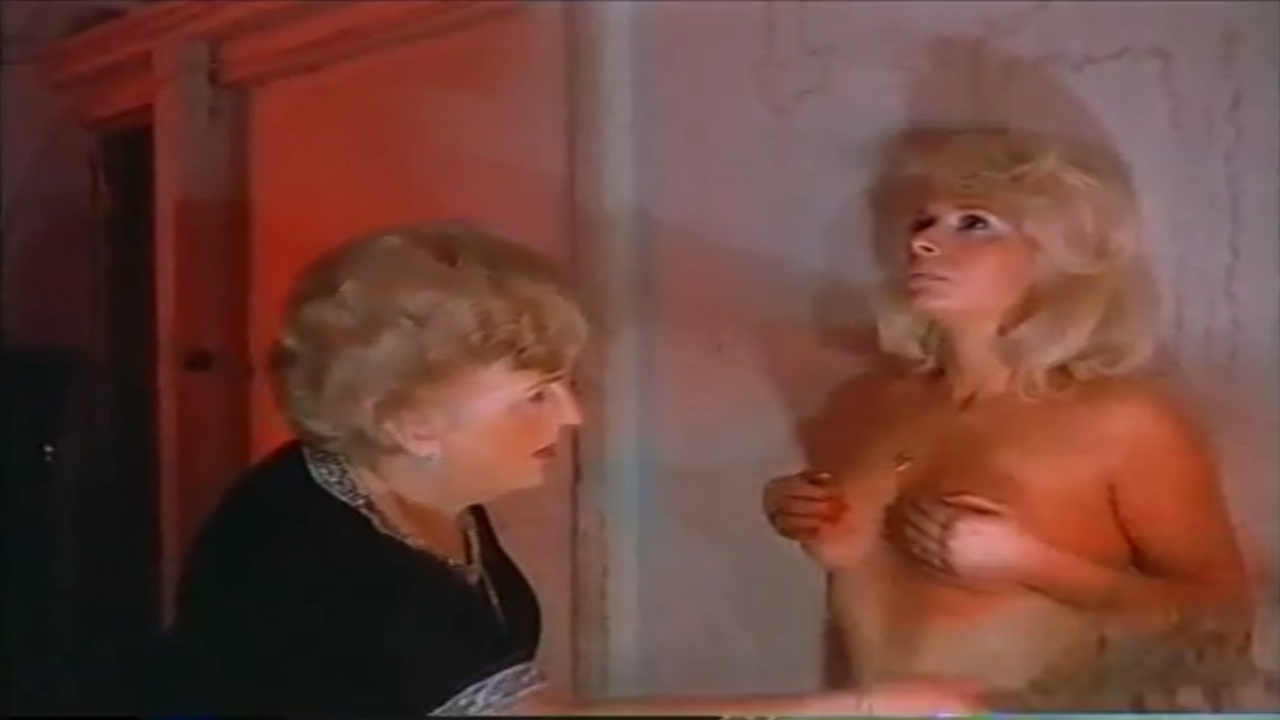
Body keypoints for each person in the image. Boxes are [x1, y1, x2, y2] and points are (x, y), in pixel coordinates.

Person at [167, 222, 980, 716]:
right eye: (534, 396)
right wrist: (852, 710)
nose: (571, 415)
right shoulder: (330, 557)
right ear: (414, 424)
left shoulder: (415, 482)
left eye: (562, 384)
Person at [761, 128, 1268, 711]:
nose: (923, 242)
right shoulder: (879, 404)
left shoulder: (1123, 422)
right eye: (924, 222)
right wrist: (797, 507)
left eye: (974, 223)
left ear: (1058, 256)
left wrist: (1034, 565)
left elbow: (1226, 614)